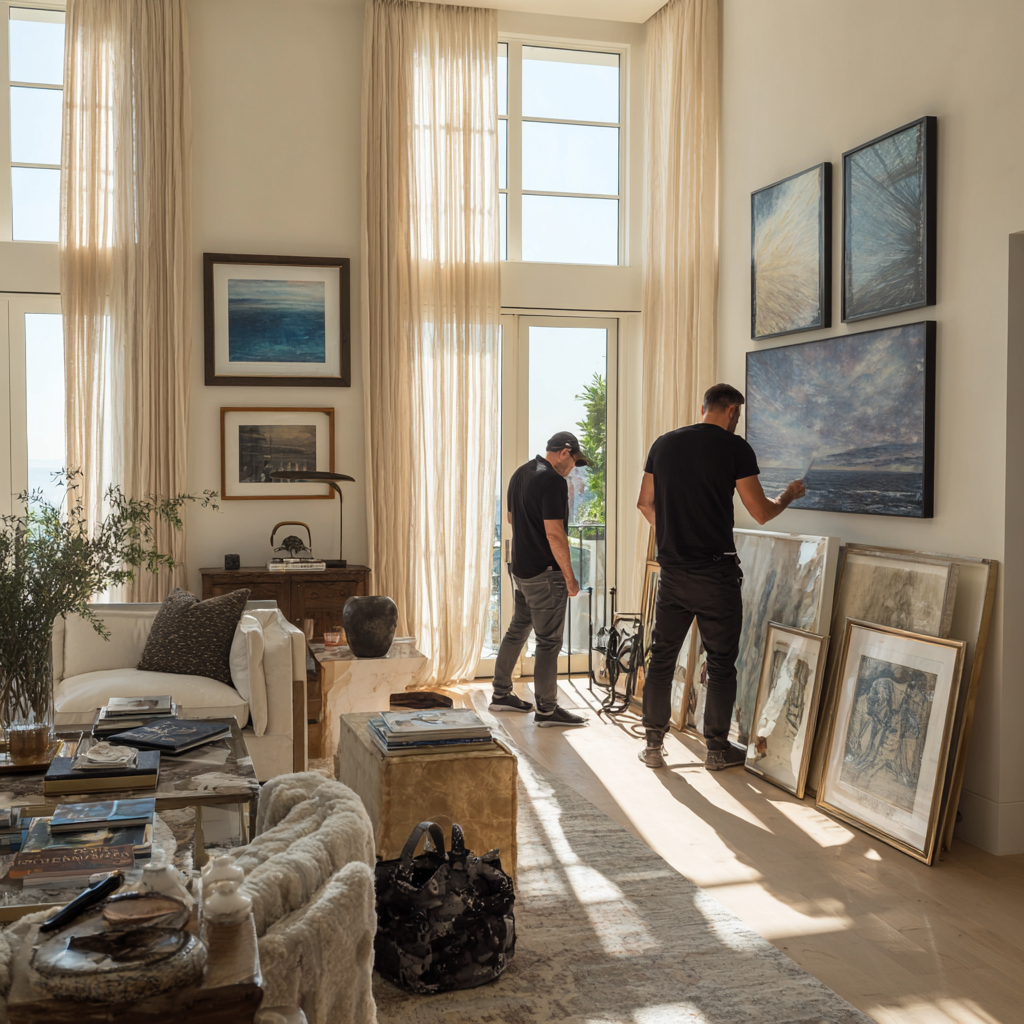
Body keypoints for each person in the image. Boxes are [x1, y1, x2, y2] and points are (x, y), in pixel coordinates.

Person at [635, 383, 805, 770]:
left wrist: (673, 535)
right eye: (738, 415)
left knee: (661, 659)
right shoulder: (735, 448)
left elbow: (644, 503)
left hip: (674, 573)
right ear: (731, 411)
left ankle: (652, 746)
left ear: (703, 407)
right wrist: (789, 496)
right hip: (716, 575)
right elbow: (760, 512)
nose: (737, 421)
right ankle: (715, 750)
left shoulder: (663, 444)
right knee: (722, 663)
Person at [489, 431, 590, 728]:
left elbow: (510, 518)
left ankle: (501, 694)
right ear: (564, 452)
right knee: (548, 642)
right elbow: (555, 533)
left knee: (517, 630)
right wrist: (570, 578)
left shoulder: (520, 474)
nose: (573, 469)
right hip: (546, 575)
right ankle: (547, 709)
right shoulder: (553, 482)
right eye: (574, 462)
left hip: (520, 570)